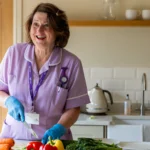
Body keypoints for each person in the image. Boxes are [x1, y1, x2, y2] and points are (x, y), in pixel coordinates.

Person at [0, 2, 90, 144]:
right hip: (14, 140)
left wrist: (60, 128)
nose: (39, 30)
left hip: (52, 143)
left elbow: (74, 108)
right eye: (35, 24)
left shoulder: (71, 63)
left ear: (58, 31)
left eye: (46, 25)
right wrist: (8, 101)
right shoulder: (14, 54)